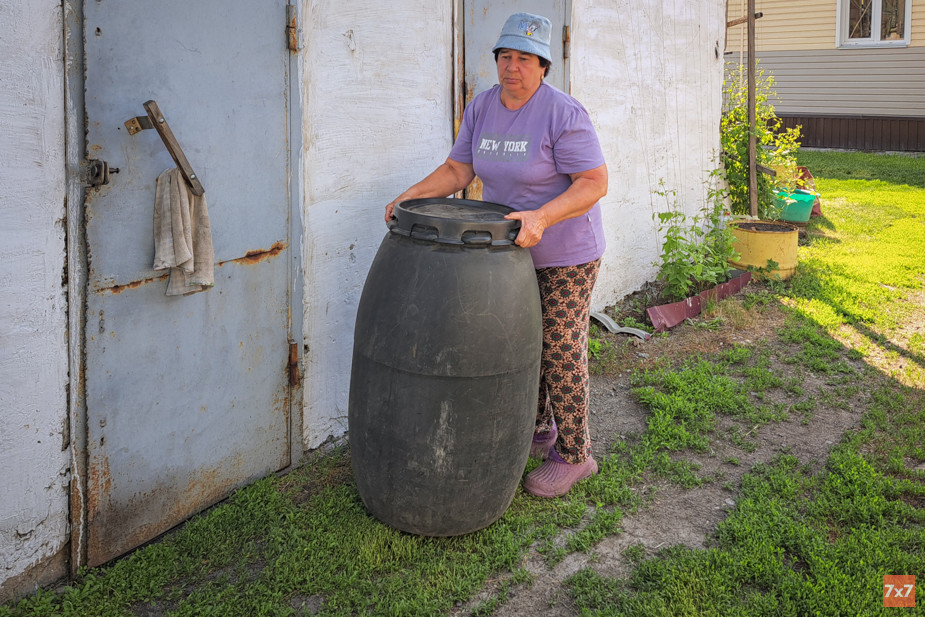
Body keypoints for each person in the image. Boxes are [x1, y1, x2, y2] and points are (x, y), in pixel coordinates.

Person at [385, 12, 608, 498]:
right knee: (522, 340)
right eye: (505, 56)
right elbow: (458, 169)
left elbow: (594, 184)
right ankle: (540, 428)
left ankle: (575, 454)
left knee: (561, 344)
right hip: (508, 252)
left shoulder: (563, 113)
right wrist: (410, 198)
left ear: (543, 65)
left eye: (524, 58)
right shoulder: (483, 107)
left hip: (567, 251)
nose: (513, 67)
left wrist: (543, 217)